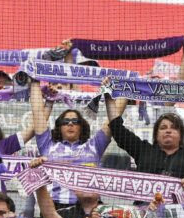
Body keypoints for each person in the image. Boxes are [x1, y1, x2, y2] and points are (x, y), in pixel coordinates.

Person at [31, 80, 119, 208]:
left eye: (75, 121)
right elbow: (37, 114)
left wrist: (120, 89)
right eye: (65, 122)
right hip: (55, 208)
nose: (70, 124)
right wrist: (38, 84)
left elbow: (114, 121)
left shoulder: (94, 145)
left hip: (89, 209)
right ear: (59, 127)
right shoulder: (47, 145)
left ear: (82, 126)